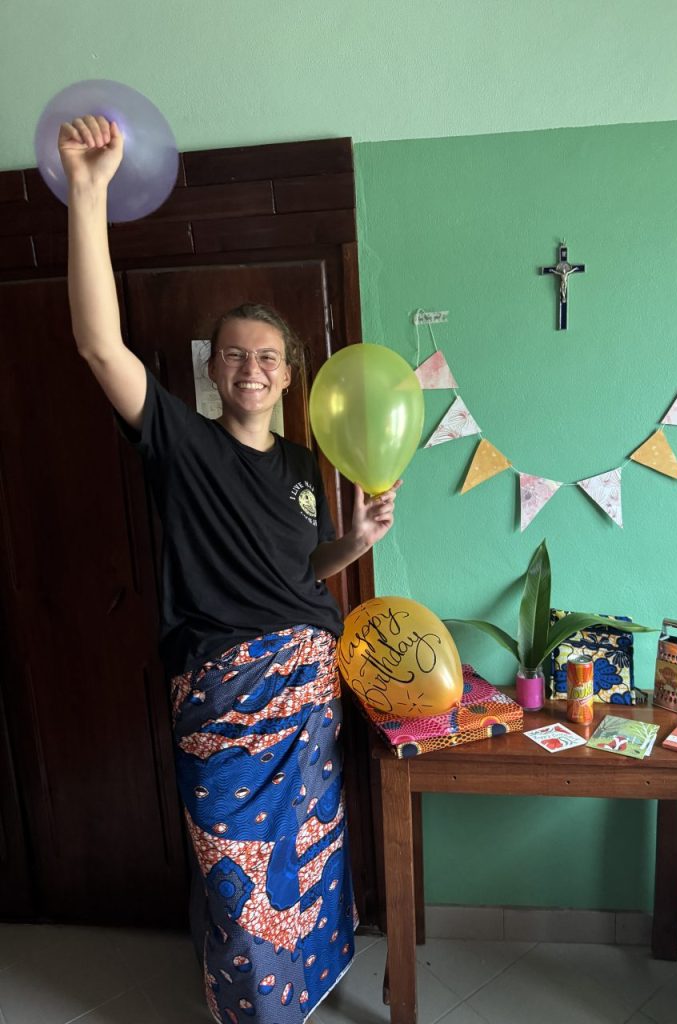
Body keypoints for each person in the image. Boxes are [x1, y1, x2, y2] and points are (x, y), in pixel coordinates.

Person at [59, 115, 399, 1024]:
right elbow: (100, 346)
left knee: (311, 849)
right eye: (236, 354)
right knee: (235, 864)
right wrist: (88, 193)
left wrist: (354, 542)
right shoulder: (180, 441)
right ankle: (251, 1008)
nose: (252, 368)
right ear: (213, 370)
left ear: (289, 375)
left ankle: (309, 984)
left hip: (309, 685)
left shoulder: (303, 466)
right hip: (222, 694)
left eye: (268, 357)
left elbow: (302, 568)